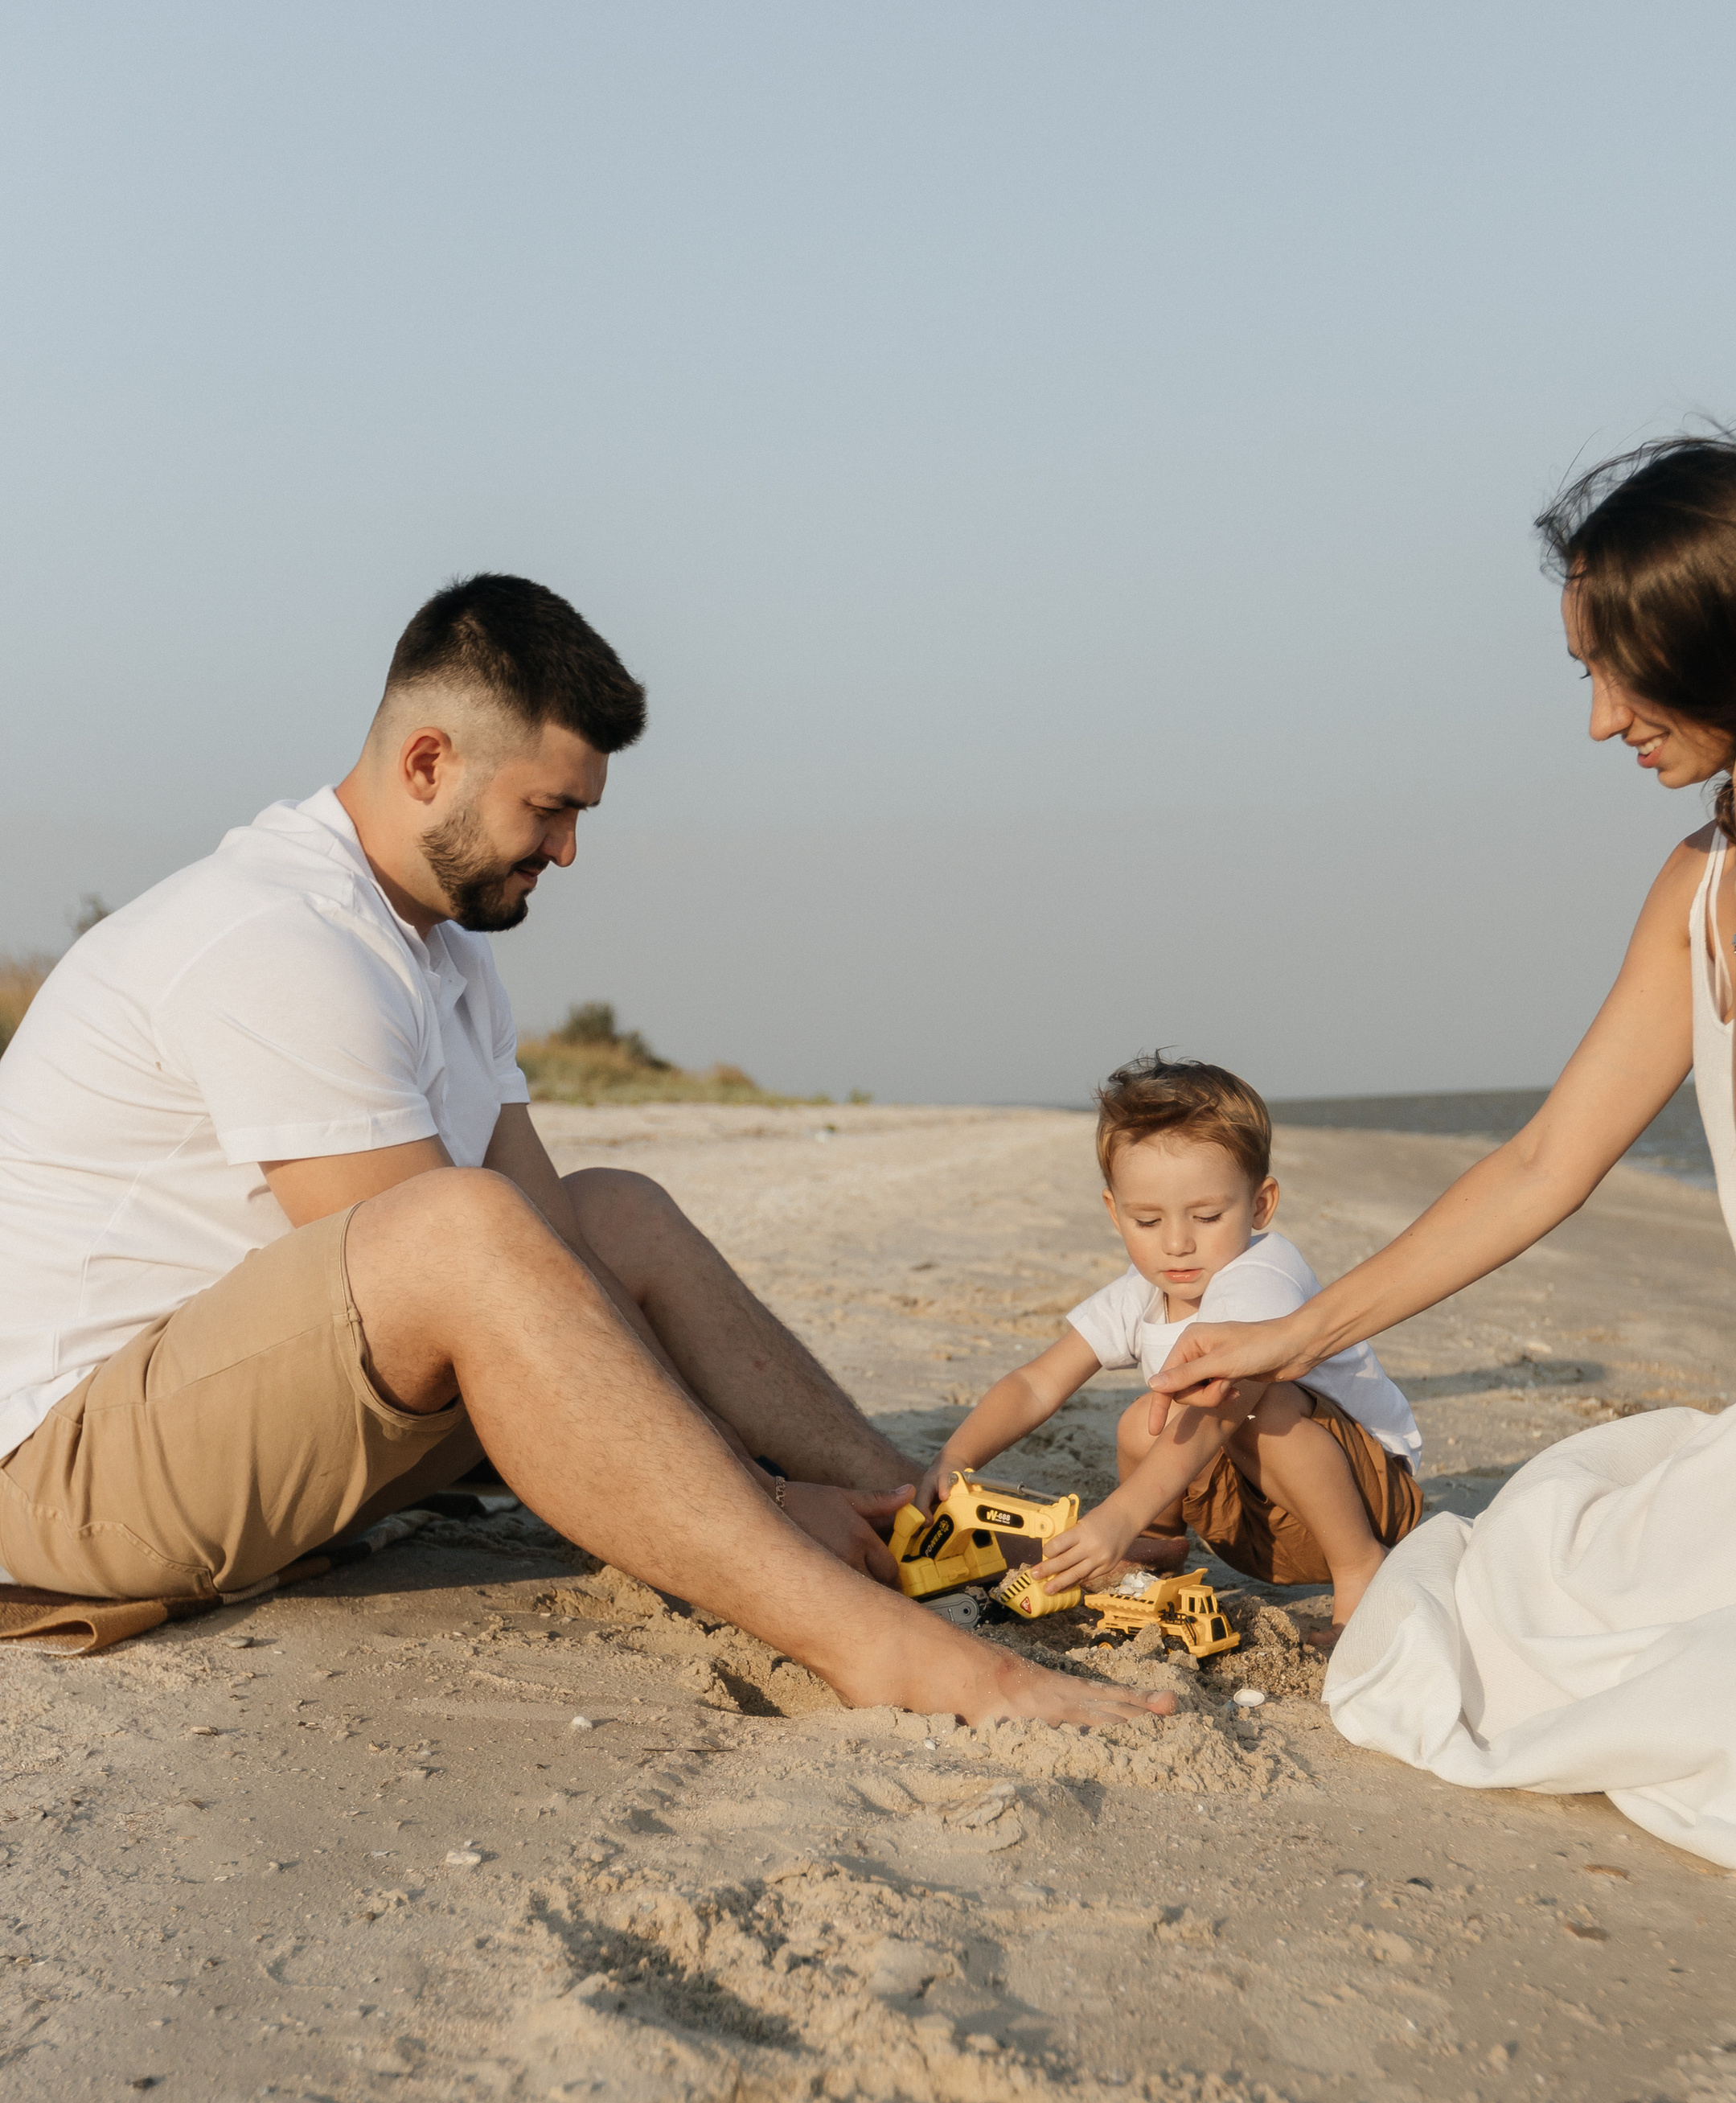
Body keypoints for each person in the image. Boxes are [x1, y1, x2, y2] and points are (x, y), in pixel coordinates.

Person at [0, 573, 1168, 1731]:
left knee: (614, 1211)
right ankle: (873, 1646)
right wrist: (759, 1502)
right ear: (426, 765)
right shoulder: (279, 939)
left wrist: (791, 1482)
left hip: (234, 1429)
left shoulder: (447, 954)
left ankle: (920, 1512)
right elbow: (456, 1273)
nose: (566, 852)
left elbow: (561, 1251)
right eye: (548, 810)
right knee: (465, 1230)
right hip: (70, 1474)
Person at [1147, 435, 1736, 1903]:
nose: (1596, 721)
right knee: (1538, 1589)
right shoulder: (1698, 881)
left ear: (1730, 647)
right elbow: (1544, 1157)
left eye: (1621, 672)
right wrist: (1290, 1336)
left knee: (1583, 1639)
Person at [921, 1054, 1421, 1633]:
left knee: (1257, 1401)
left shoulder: (1264, 1274)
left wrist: (1117, 1512)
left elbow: (1225, 1401)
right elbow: (1038, 1382)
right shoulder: (1138, 1294)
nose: (1177, 1244)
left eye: (1207, 1216)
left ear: (1260, 1205)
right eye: (1148, 1221)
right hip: (1258, 1530)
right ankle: (1154, 1548)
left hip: (1366, 1502)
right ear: (1115, 1213)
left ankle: (1361, 1570)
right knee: (1142, 1422)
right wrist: (957, 1457)